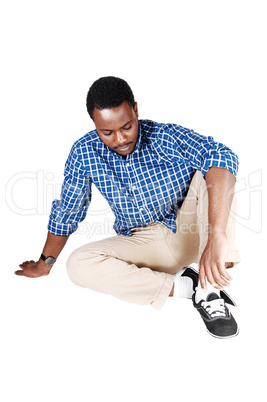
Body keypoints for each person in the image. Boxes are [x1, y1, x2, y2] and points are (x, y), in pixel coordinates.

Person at [15, 76, 241, 338]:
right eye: (107, 132)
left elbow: (222, 156)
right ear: (94, 123)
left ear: (136, 109)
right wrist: (45, 263)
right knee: (77, 264)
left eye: (127, 126)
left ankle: (209, 290)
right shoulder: (84, 152)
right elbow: (68, 211)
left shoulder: (165, 136)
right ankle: (188, 287)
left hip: (189, 229)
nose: (120, 139)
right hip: (144, 242)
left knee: (216, 171)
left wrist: (217, 235)